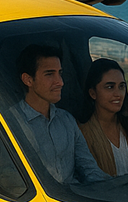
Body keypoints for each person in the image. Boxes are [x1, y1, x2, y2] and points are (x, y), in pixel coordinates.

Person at [9, 44, 107, 185]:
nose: (60, 82)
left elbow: (89, 168)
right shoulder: (10, 122)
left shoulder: (67, 120)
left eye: (60, 73)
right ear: (28, 80)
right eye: (49, 74)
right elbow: (8, 180)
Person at [77, 58, 128, 176]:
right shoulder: (82, 133)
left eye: (121, 87)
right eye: (110, 87)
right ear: (93, 93)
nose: (118, 94)